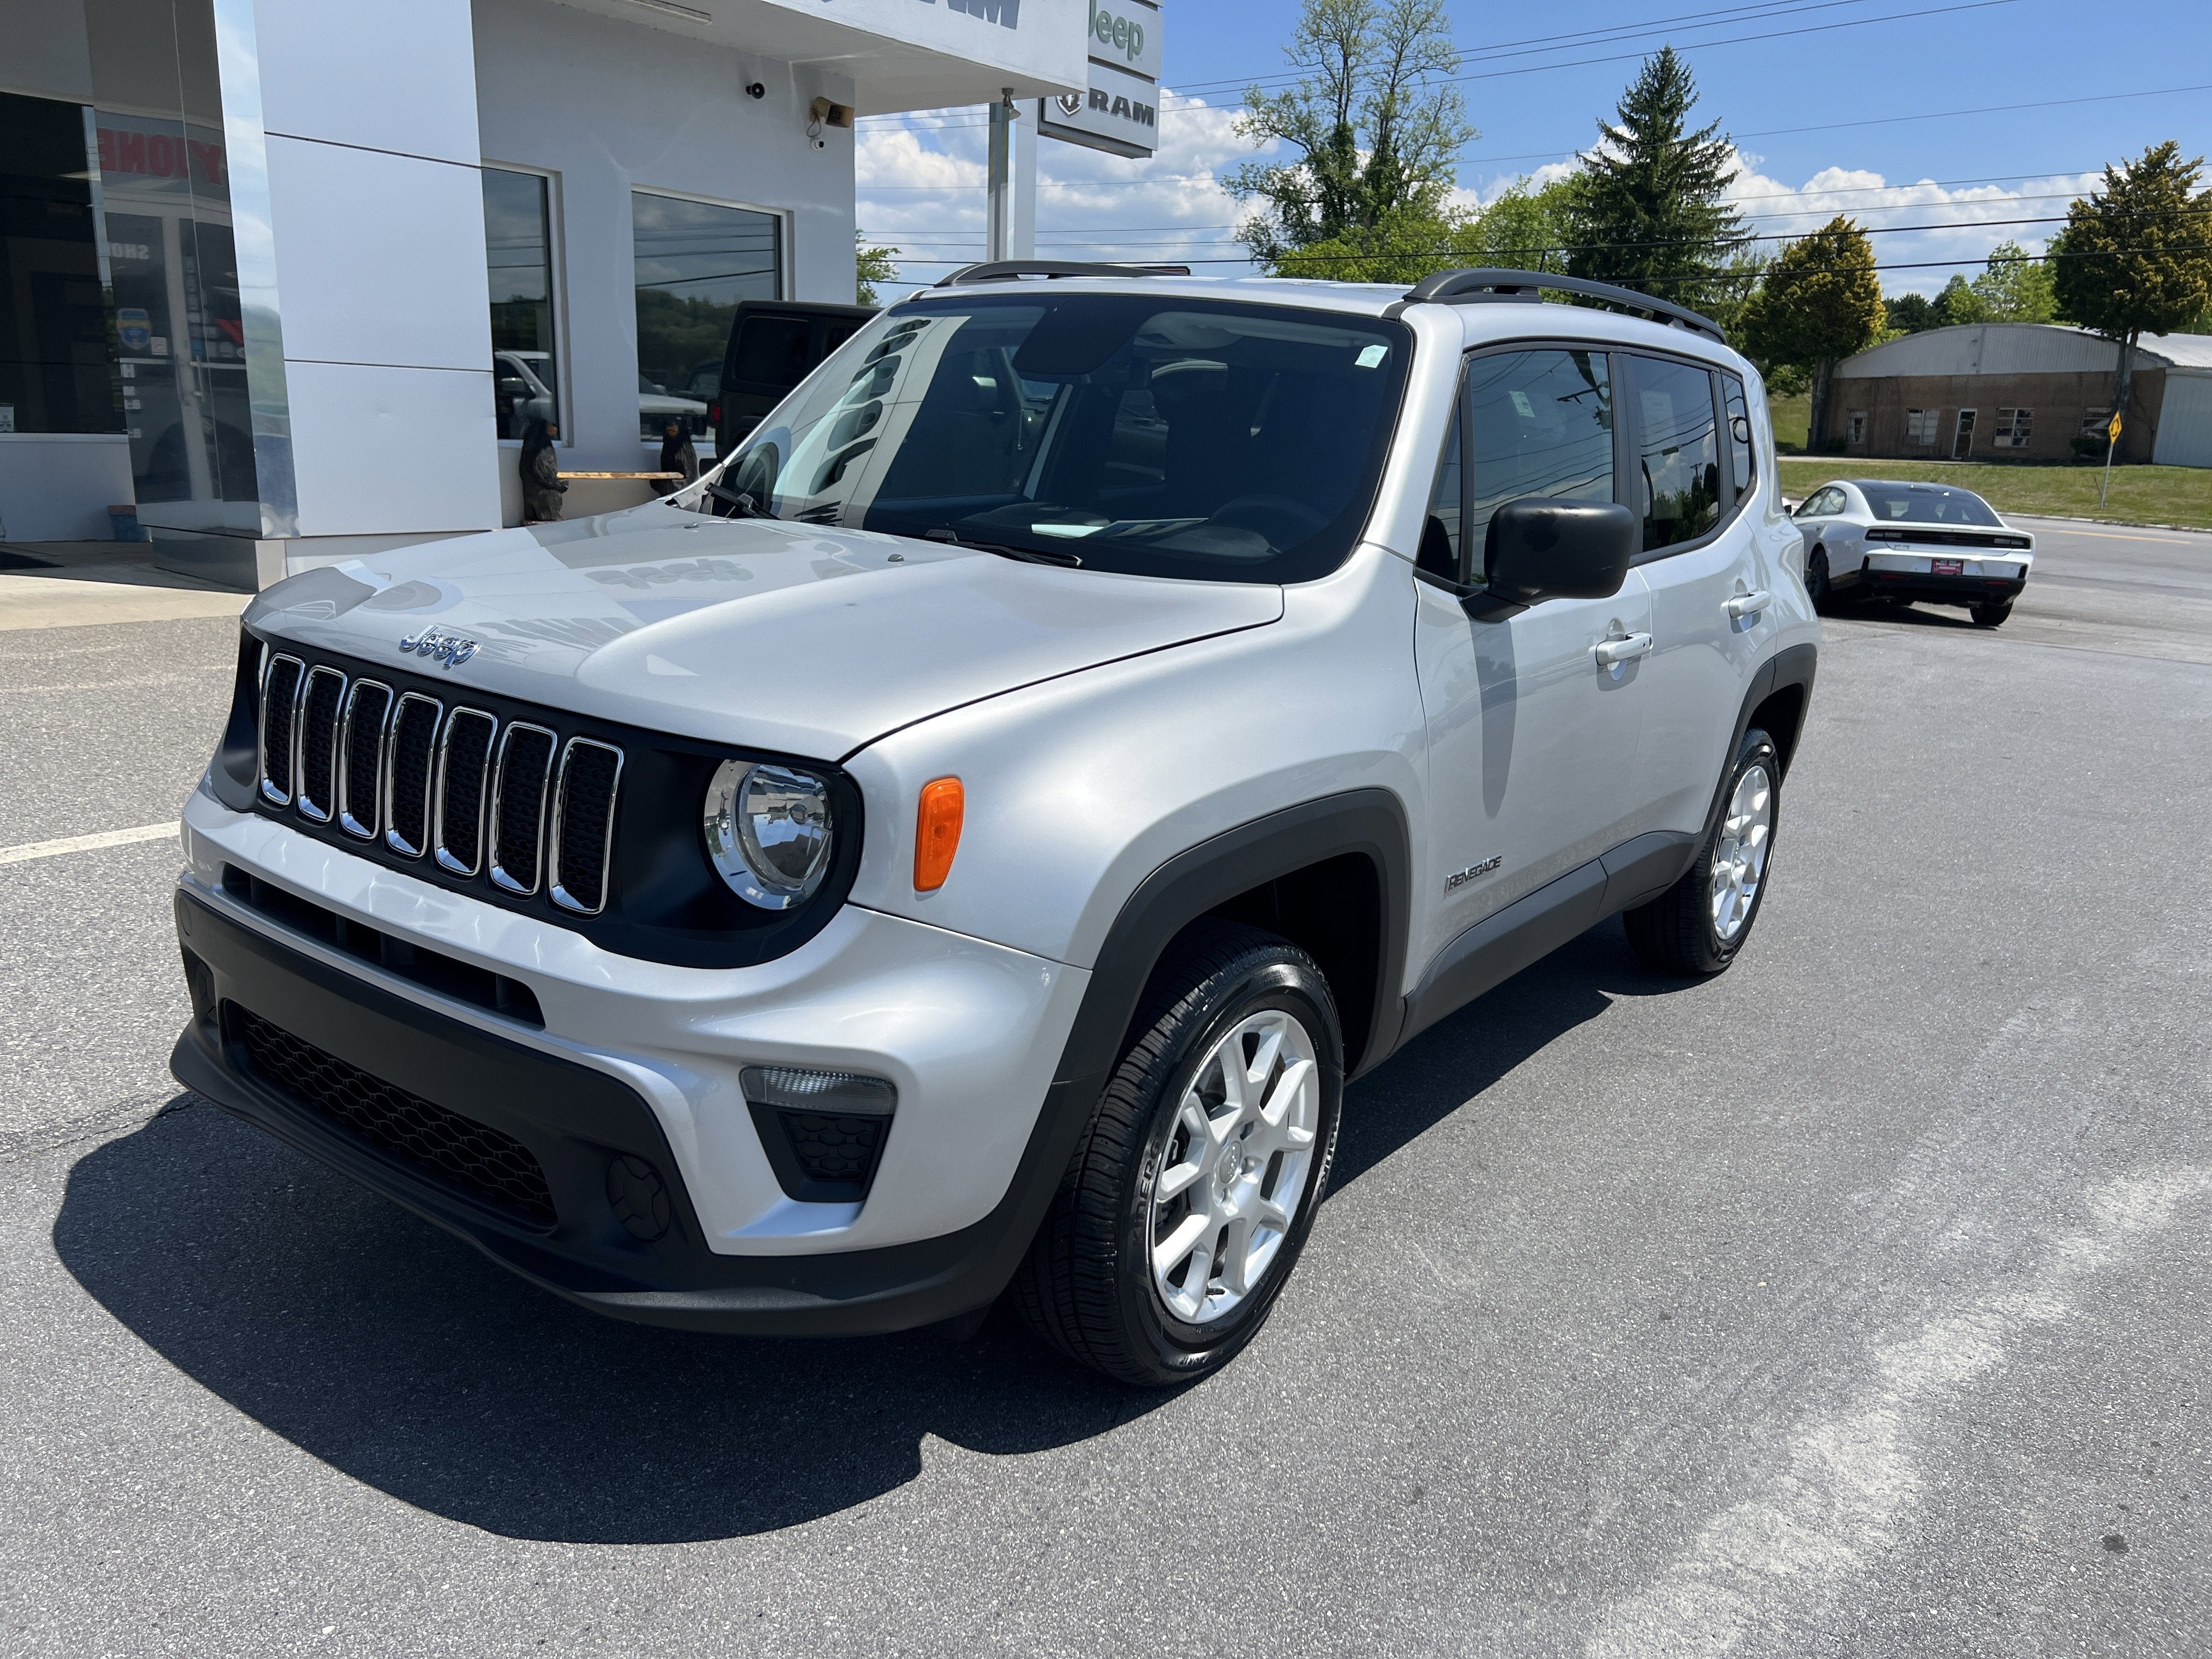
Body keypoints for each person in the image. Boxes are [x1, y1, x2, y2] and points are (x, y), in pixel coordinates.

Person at [521, 417, 566, 523]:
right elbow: (544, 474)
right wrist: (559, 486)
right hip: (544, 497)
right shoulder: (543, 449)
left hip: (530, 497)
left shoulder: (528, 450)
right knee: (554, 495)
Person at [658, 417, 699, 486]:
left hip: (683, 485)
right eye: (669, 427)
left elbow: (689, 475)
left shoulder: (685, 447)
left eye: (675, 426)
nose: (671, 428)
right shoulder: (667, 445)